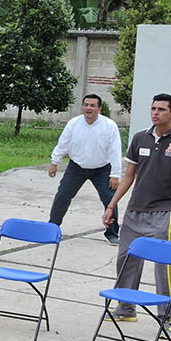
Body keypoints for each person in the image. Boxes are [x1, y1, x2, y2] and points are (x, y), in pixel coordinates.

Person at [102, 93, 171, 330]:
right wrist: (112, 205)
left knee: (161, 266)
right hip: (135, 210)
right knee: (125, 259)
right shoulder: (139, 138)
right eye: (153, 108)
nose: (156, 113)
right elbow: (129, 176)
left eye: (162, 109)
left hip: (164, 212)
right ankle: (125, 308)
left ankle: (166, 317)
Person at [48, 94, 123, 246]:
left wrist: (115, 175)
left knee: (110, 200)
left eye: (93, 105)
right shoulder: (73, 124)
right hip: (76, 167)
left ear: (99, 109)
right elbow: (63, 144)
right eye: (86, 105)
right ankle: (52, 228)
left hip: (102, 169)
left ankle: (112, 233)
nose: (89, 108)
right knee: (63, 195)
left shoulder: (109, 126)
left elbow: (115, 151)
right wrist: (54, 162)